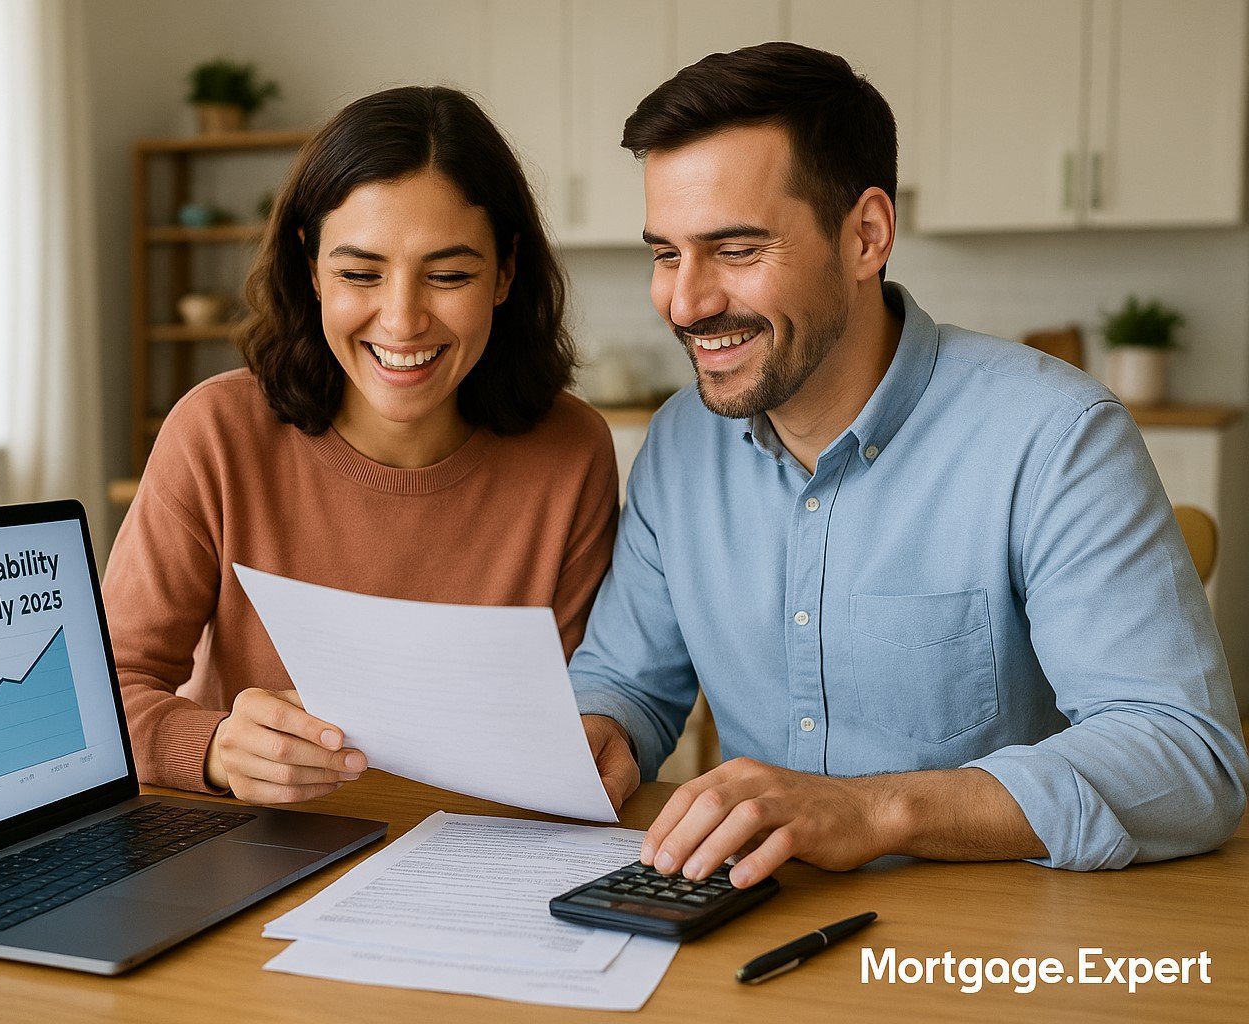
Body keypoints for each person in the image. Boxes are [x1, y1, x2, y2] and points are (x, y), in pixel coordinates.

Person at [571, 42, 1249, 888]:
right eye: (666, 253)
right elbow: (624, 682)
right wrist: (603, 729)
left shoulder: (1054, 434)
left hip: (990, 939)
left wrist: (873, 810)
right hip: (756, 919)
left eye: (736, 251)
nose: (686, 301)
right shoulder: (680, 444)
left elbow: (1188, 760)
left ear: (866, 236)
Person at [104, 86, 618, 805]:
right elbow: (101, 701)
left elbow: (579, 711)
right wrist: (216, 747)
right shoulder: (215, 433)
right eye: (359, 273)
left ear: (505, 272)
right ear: (310, 265)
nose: (402, 321)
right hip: (258, 858)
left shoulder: (571, 451)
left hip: (476, 857)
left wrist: (601, 737)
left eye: (449, 275)